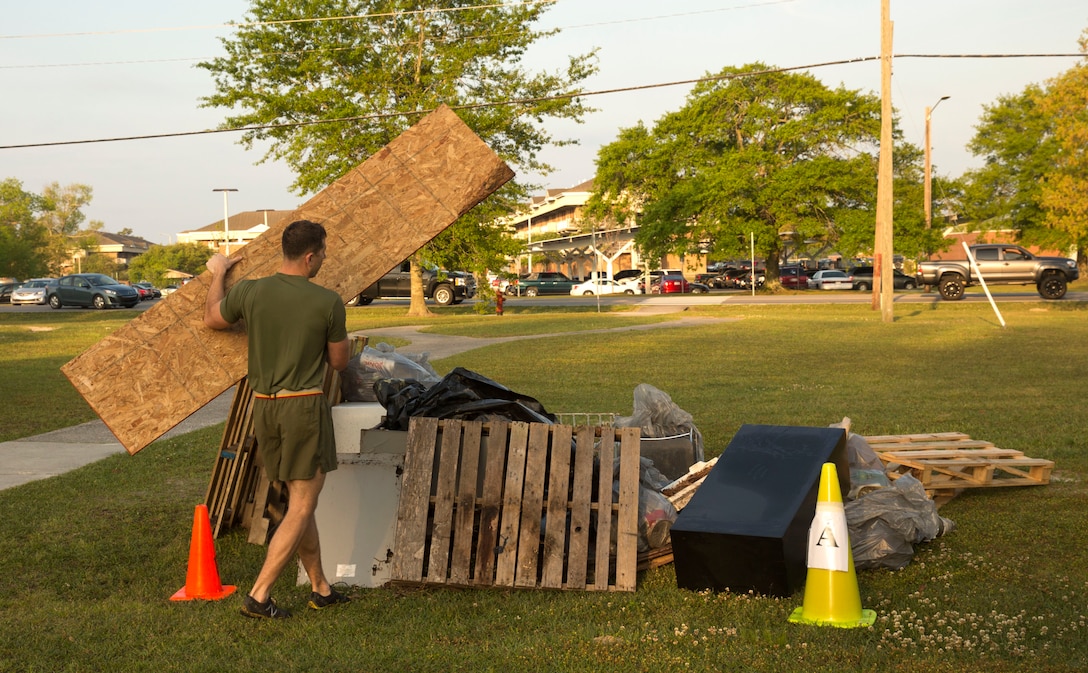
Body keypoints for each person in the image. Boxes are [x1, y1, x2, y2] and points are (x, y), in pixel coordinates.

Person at [203, 219, 351, 619]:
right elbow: (338, 363)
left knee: (299, 501)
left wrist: (218, 273)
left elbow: (212, 317)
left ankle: (321, 588)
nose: (324, 259)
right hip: (303, 407)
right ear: (309, 256)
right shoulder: (327, 302)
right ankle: (259, 595)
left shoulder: (250, 291)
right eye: (323, 253)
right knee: (302, 504)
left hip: (264, 406)